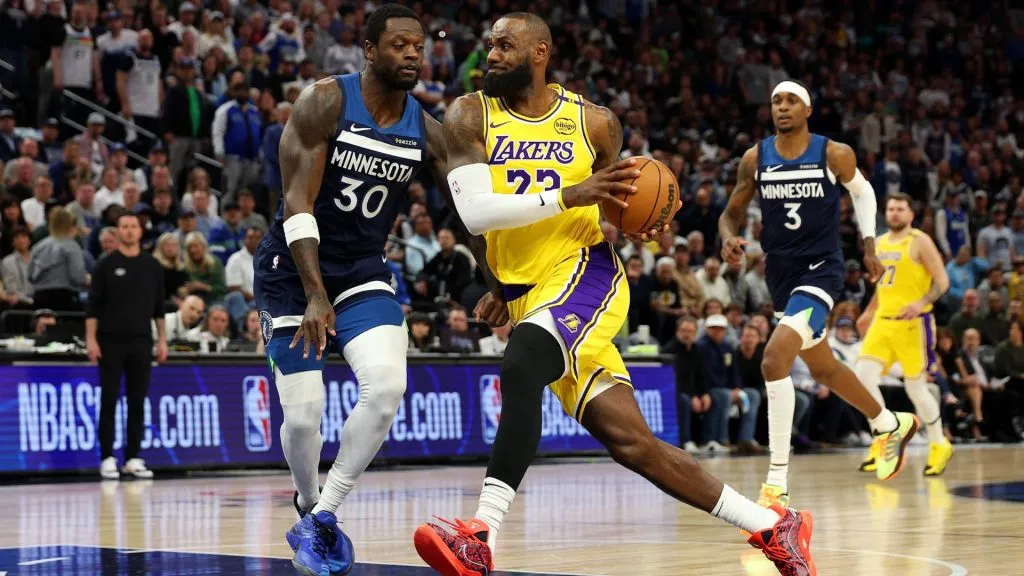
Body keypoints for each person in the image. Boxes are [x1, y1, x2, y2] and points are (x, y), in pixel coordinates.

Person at [414, 14, 815, 576]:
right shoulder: (468, 114)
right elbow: (476, 214)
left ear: (540, 53)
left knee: (522, 364)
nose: (492, 56)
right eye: (490, 46)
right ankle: (772, 526)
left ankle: (480, 535)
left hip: (586, 274)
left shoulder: (594, 123)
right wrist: (502, 282)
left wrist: (648, 223)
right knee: (633, 445)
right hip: (530, 295)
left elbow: (617, 208)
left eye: (505, 45)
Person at [252, 6, 486, 575]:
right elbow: (297, 202)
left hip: (361, 270)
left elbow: (468, 210)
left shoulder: (427, 129)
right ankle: (307, 501)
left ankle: (323, 517)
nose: (412, 54)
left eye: (419, 47)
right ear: (370, 49)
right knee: (304, 416)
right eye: (400, 44)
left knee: (386, 387)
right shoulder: (325, 102)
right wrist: (314, 293)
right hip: (292, 269)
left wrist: (496, 278)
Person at [719, 80, 917, 511]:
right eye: (776, 101)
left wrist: (869, 245)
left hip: (822, 269)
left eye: (791, 101)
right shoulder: (755, 158)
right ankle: (888, 423)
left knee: (774, 358)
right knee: (824, 367)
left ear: (807, 110)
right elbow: (730, 214)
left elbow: (863, 192)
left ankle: (776, 483)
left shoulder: (833, 153)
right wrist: (728, 237)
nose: (782, 107)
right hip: (780, 273)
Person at [855, 193, 953, 476]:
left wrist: (921, 303)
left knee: (916, 389)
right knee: (862, 380)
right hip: (882, 322)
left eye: (900, 209)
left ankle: (939, 444)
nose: (895, 213)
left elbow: (942, 281)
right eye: (891, 209)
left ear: (911, 214)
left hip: (914, 324)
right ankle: (884, 436)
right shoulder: (880, 243)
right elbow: (884, 285)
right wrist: (868, 312)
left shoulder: (920, 241)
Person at [86, 213, 167, 480]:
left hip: (142, 340)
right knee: (109, 400)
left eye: (133, 226)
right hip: (110, 341)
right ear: (118, 231)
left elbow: (159, 309)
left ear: (140, 231)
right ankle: (107, 457)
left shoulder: (152, 266)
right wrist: (91, 340)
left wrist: (162, 340)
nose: (129, 231)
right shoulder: (105, 265)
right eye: (124, 226)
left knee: (137, 401)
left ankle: (132, 456)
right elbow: (93, 307)